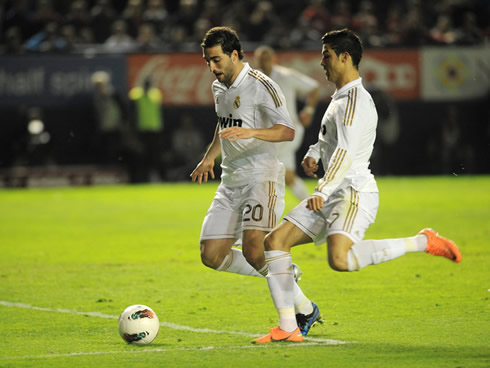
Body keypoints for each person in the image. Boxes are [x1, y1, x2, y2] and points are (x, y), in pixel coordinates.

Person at [255, 28, 462, 344]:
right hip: (334, 189)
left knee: (340, 261)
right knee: (275, 242)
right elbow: (328, 139)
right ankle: (289, 326)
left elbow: (346, 152)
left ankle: (422, 241)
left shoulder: (354, 99)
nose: (321, 62)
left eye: (326, 55)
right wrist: (313, 153)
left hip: (352, 192)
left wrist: (323, 190)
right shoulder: (340, 97)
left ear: (344, 57)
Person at [191, 26, 320, 334]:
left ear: (235, 55)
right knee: (211, 255)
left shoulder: (262, 85)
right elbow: (224, 125)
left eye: (217, 60)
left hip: (262, 176)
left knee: (253, 250)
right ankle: (283, 273)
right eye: (207, 61)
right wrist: (210, 155)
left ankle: (301, 311)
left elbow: (286, 131)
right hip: (231, 180)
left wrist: (252, 132)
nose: (212, 67)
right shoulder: (218, 87)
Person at [254, 45, 320, 201]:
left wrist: (308, 110)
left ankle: (259, 212)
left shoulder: (286, 76)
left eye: (266, 58)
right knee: (288, 176)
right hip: (272, 135)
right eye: (260, 59)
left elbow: (314, 87)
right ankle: (313, 208)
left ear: (274, 59)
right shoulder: (254, 81)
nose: (263, 62)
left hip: (290, 131)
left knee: (263, 169)